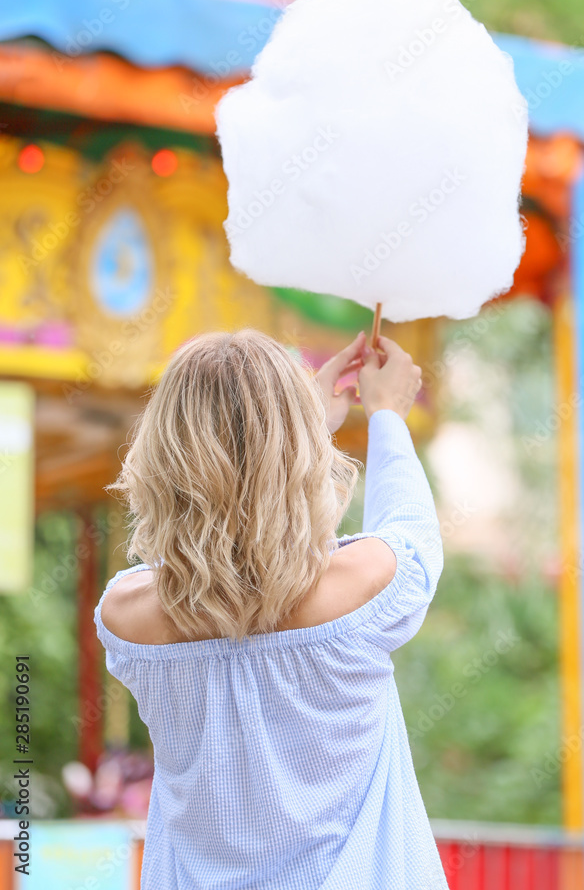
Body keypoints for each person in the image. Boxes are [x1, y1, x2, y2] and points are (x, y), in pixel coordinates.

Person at [94, 327, 448, 890]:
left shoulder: (125, 617)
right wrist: (385, 415)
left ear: (161, 454)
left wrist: (292, 429)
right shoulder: (359, 591)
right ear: (301, 453)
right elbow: (412, 534)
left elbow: (216, 560)